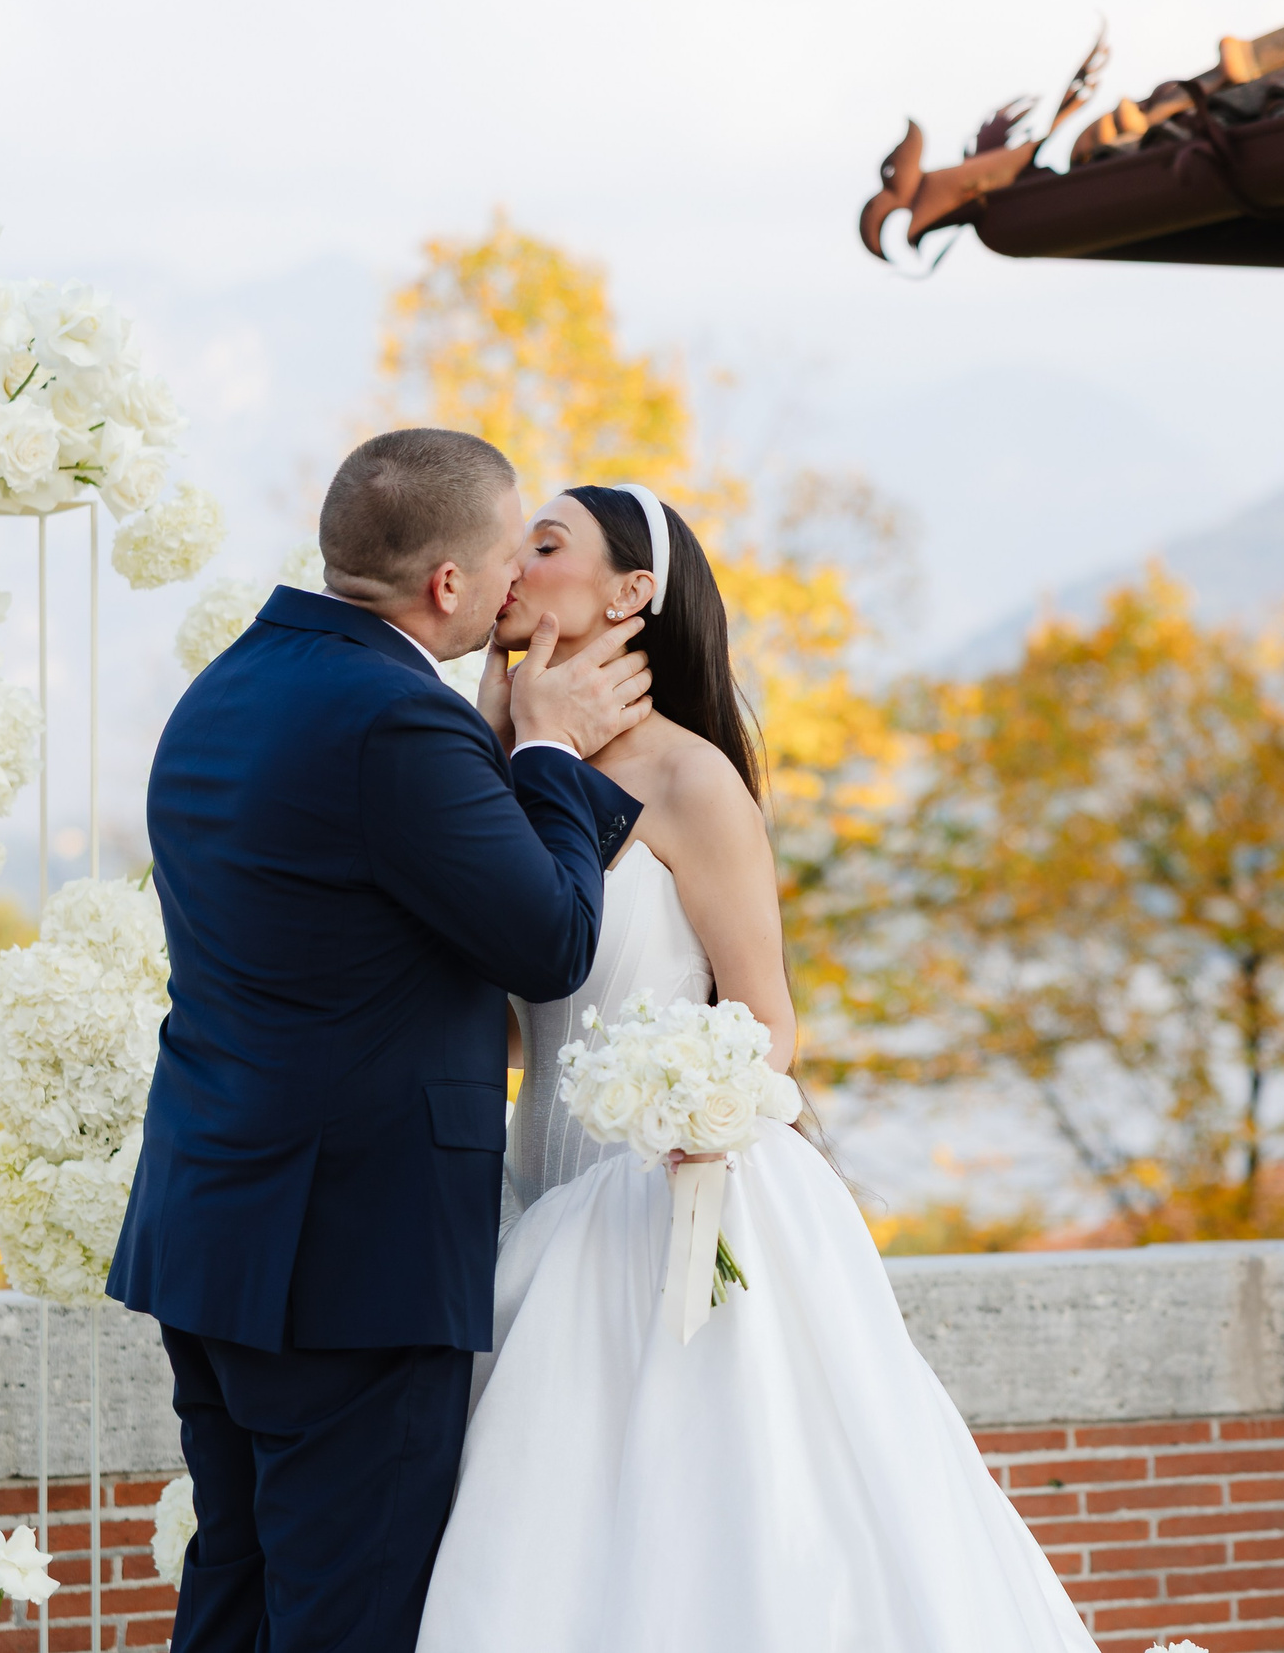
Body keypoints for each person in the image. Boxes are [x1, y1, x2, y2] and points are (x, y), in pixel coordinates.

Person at [414, 486, 1105, 1652]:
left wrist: (702, 1108)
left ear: (633, 592)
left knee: (722, 1516)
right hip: (533, 1193)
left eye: (545, 544)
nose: (511, 564)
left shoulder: (691, 779)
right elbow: (510, 1006)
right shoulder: (495, 766)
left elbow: (766, 1014)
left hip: (679, 1195)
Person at [107, 429, 656, 1653]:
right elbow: (552, 939)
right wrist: (552, 751)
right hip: (351, 1267)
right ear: (449, 587)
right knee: (351, 1615)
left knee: (237, 1592)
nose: (521, 583)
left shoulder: (230, 682)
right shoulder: (399, 724)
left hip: (212, 1233)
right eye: (510, 557)